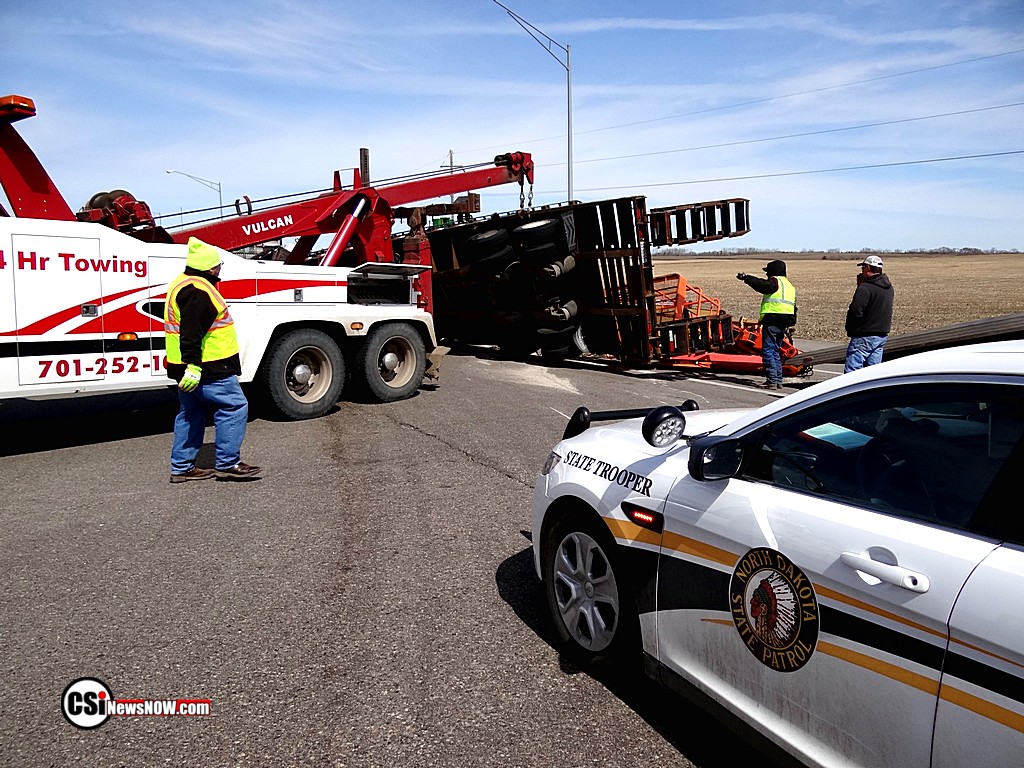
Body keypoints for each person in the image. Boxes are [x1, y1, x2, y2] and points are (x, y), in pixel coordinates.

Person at [165, 237, 261, 483]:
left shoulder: (181, 283)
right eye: (218, 265)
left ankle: (182, 467)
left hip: (187, 367)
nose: (219, 269)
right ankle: (228, 463)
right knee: (234, 406)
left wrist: (188, 367)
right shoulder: (199, 291)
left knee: (191, 412)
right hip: (209, 367)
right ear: (210, 268)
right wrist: (194, 366)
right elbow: (191, 333)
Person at [736, 259, 797, 389]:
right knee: (775, 350)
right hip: (784, 322)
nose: (766, 274)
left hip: (772, 320)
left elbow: (761, 285)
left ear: (773, 271)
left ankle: (772, 381)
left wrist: (747, 278)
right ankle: (778, 380)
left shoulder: (775, 282)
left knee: (768, 350)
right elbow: (794, 307)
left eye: (767, 272)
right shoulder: (789, 286)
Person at [844, 254, 894, 372]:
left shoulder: (865, 288)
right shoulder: (888, 287)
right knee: (872, 373)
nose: (861, 271)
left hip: (863, 335)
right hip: (881, 335)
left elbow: (855, 311)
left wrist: (851, 328)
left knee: (852, 372)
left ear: (867, 268)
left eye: (863, 268)